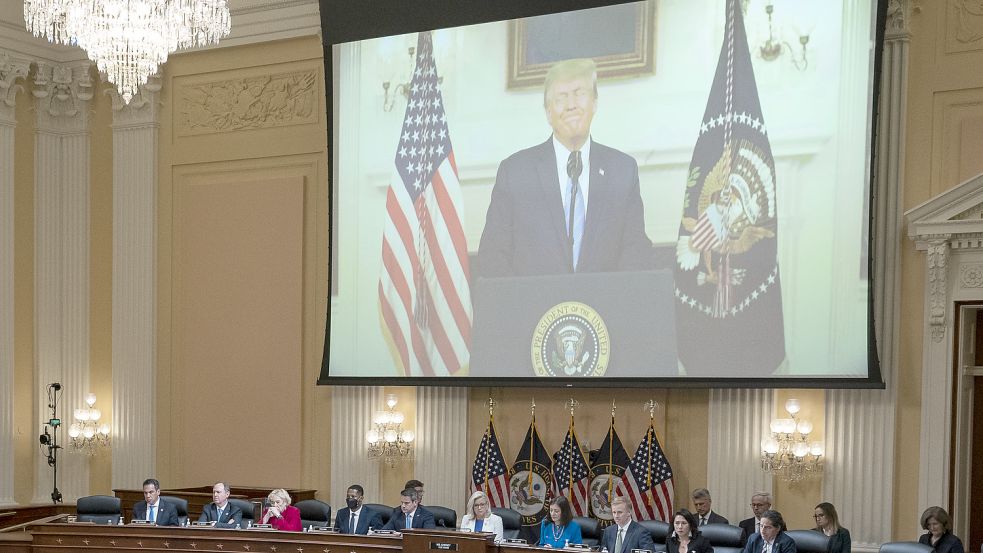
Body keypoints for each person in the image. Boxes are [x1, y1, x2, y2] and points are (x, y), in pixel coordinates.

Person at [477, 58, 653, 278]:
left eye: (580, 93)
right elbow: (493, 257)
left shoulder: (622, 171)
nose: (571, 105)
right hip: (534, 309)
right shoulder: (515, 173)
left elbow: (635, 254)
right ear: (548, 112)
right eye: (561, 97)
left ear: (595, 103)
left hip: (603, 309)